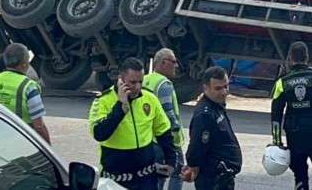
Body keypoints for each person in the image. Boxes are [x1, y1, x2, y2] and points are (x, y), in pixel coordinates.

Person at [89, 57, 178, 190]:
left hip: (146, 179)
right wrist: (120, 107)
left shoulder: (149, 98)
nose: (137, 87)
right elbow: (99, 134)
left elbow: (163, 131)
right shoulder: (103, 100)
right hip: (115, 181)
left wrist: (171, 161)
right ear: (121, 80)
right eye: (132, 82)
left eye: (140, 81)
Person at [271, 41, 312, 190]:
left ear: (290, 58)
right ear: (307, 57)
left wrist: (276, 141)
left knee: (299, 175)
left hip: (294, 135)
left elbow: (276, 116)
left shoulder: (282, 82)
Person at [181, 66, 242, 190]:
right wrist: (193, 166)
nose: (224, 92)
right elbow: (197, 146)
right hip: (213, 179)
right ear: (205, 88)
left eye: (226, 86)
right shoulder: (205, 114)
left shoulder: (216, 105)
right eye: (218, 88)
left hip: (224, 177)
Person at [0, 43, 50, 143]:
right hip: (19, 142)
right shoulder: (29, 86)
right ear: (24, 64)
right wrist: (48, 148)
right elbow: (39, 126)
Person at [143, 49, 185, 190]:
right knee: (177, 172)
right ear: (163, 63)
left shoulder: (146, 79)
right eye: (173, 62)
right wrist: (175, 127)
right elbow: (167, 109)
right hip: (167, 139)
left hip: (149, 137)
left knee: (156, 174)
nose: (176, 66)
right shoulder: (164, 83)